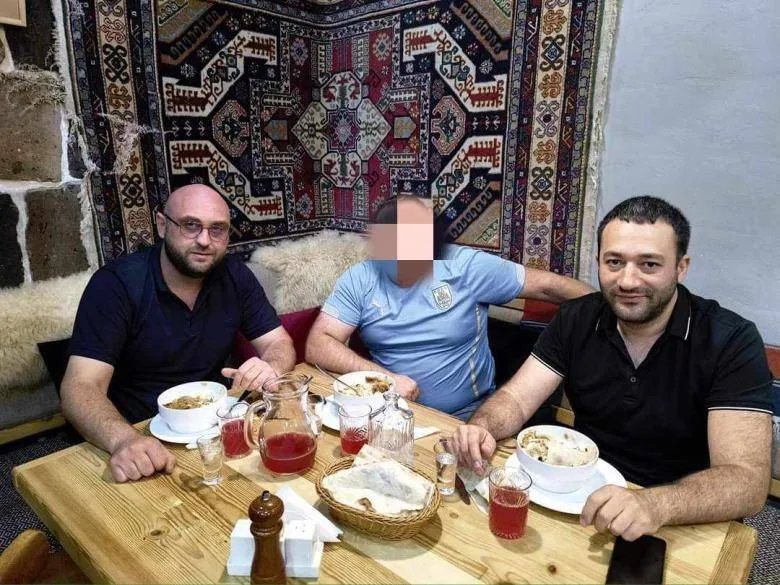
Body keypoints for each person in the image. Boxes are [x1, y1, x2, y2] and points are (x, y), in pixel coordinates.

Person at [454, 196, 773, 540]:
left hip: (684, 513)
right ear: (598, 263)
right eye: (614, 262)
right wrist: (483, 427)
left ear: (681, 268)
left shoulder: (731, 340)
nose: (628, 281)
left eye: (649, 264)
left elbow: (747, 481)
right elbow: (517, 399)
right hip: (583, 498)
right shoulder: (576, 318)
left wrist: (655, 504)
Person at [61, 184, 295, 483]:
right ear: (162, 225)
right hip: (138, 436)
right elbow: (79, 386)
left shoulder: (235, 276)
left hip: (214, 429)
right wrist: (124, 439)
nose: (204, 240)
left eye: (217, 229)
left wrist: (271, 367)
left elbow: (278, 342)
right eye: (190, 225)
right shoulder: (115, 285)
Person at [305, 196, 594, 420]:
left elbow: (547, 286)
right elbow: (318, 344)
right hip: (391, 411)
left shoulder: (465, 266)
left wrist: (607, 309)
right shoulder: (360, 278)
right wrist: (386, 380)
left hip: (469, 415)